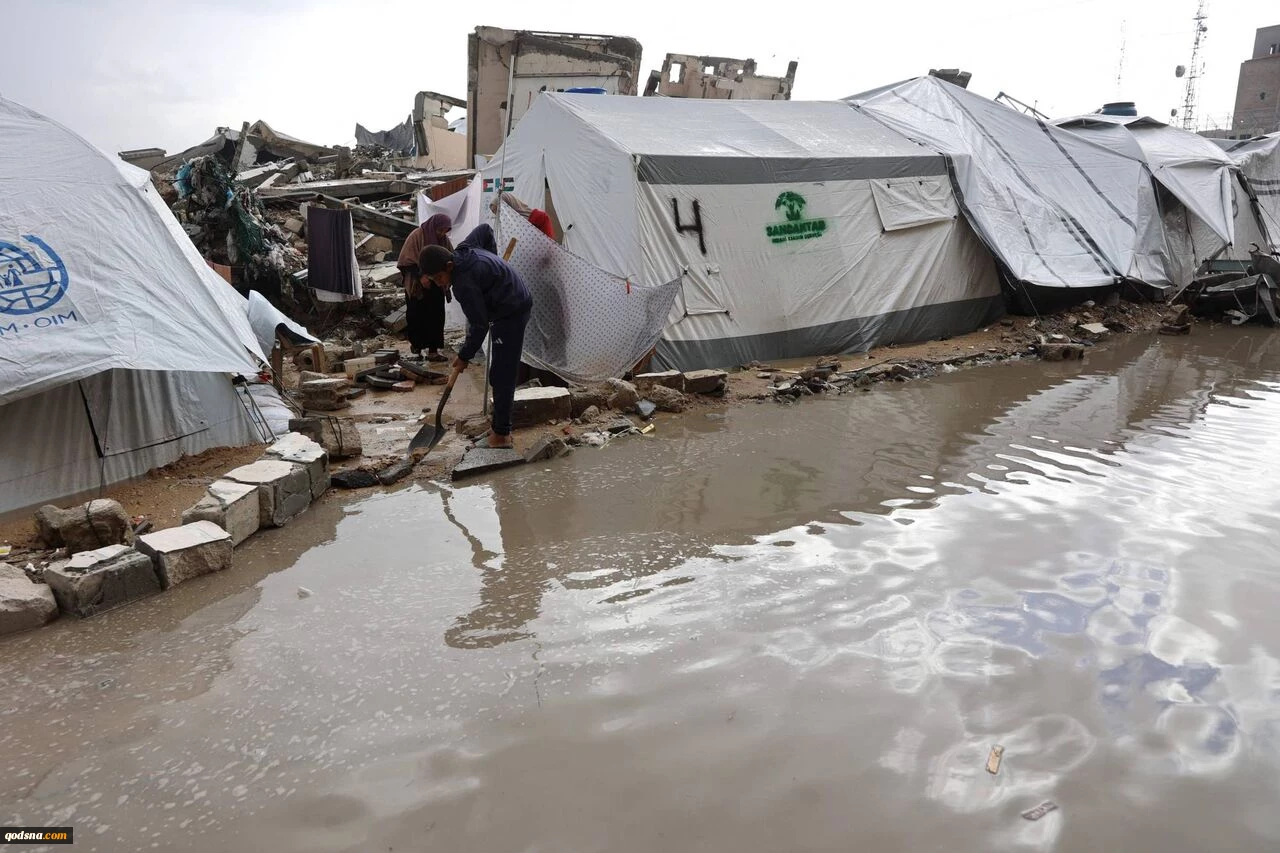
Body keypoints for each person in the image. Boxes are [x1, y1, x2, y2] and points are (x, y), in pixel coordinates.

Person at [419, 224, 532, 449]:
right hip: (505, 302)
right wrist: (494, 269)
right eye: (434, 280)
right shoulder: (464, 248)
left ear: (449, 265)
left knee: (502, 373)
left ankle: (502, 436)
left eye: (439, 277)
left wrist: (464, 356)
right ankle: (498, 426)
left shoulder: (463, 284)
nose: (439, 284)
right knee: (498, 372)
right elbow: (486, 230)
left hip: (512, 309)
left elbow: (479, 326)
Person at [396, 213, 452, 361]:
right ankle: (417, 349)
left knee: (436, 316)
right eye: (440, 230)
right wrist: (421, 276)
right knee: (416, 316)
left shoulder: (443, 241)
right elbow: (406, 261)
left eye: (445, 231)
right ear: (434, 226)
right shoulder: (417, 236)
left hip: (436, 285)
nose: (442, 233)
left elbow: (450, 259)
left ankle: (433, 351)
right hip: (417, 285)